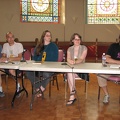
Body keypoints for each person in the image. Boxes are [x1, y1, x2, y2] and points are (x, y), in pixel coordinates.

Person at [26, 30, 58, 97]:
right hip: (39, 67)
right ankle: (39, 87)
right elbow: (34, 58)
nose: (49, 37)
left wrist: (44, 62)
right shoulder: (39, 46)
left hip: (49, 67)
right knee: (28, 72)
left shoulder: (53, 46)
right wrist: (39, 62)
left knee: (46, 74)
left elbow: (55, 59)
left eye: (50, 35)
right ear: (43, 37)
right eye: (47, 35)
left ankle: (41, 88)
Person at [66, 33, 88, 106]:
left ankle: (72, 95)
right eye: (76, 39)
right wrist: (70, 61)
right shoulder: (70, 49)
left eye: (79, 39)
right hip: (72, 69)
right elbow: (68, 58)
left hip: (82, 70)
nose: (77, 41)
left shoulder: (84, 48)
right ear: (72, 40)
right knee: (70, 72)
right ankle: (72, 94)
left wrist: (75, 62)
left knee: (70, 73)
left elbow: (81, 59)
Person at [0, 32, 23, 97]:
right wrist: (3, 58)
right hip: (7, 64)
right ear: (6, 39)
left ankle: (18, 87)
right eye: (9, 37)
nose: (11, 39)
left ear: (14, 37)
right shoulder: (5, 45)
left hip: (17, 65)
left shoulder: (19, 45)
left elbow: (19, 57)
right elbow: (4, 56)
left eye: (12, 37)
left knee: (11, 70)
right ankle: (0, 90)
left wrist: (9, 59)